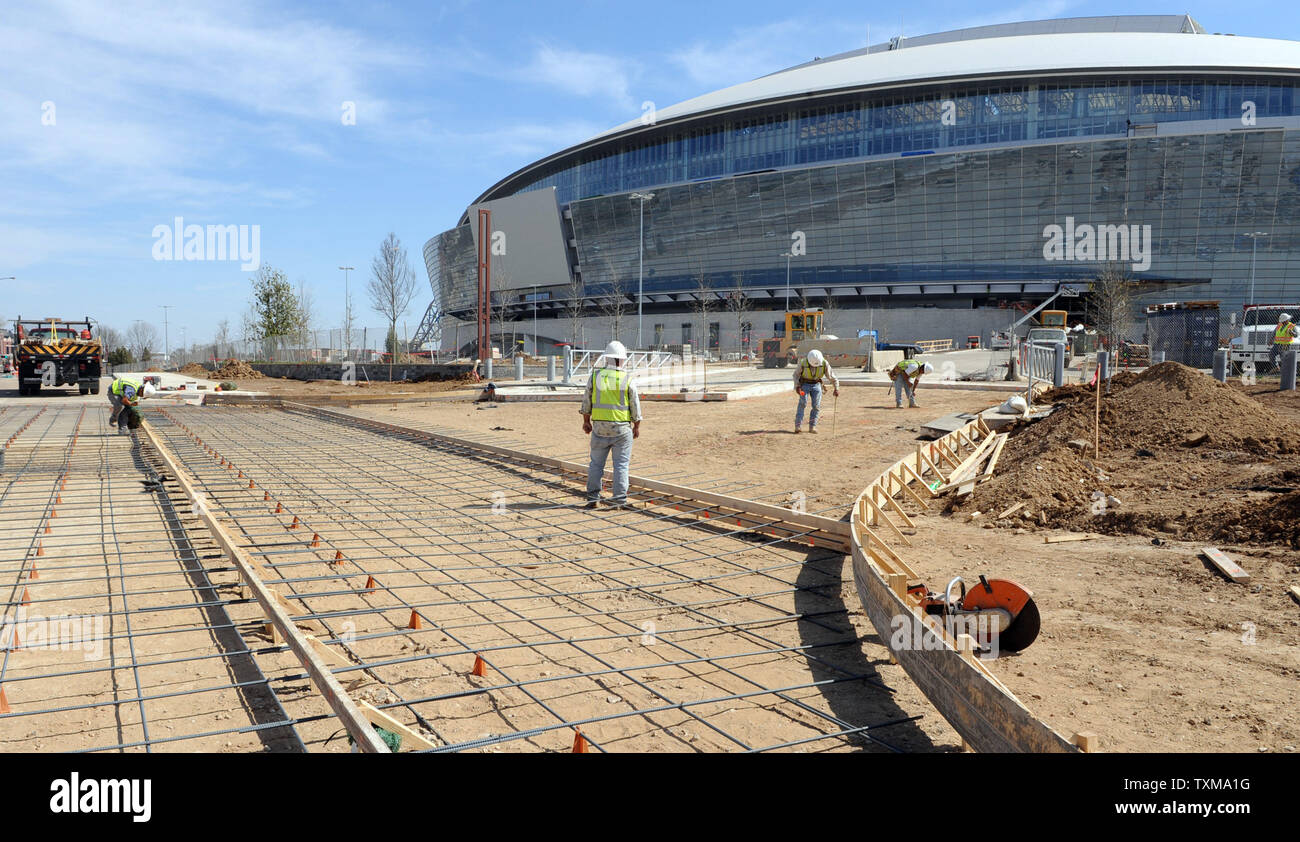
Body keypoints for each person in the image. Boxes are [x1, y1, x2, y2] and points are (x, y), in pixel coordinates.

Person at [580, 341, 642, 508]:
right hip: (622, 429)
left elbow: (586, 401)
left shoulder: (595, 376)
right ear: (622, 360)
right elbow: (635, 404)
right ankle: (619, 500)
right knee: (621, 465)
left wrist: (586, 421)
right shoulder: (627, 378)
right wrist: (636, 426)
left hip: (599, 428)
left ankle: (593, 499)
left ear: (606, 358)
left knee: (596, 465)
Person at [792, 349, 839, 434]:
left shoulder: (824, 363)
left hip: (817, 385)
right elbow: (796, 375)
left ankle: (812, 426)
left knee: (816, 406)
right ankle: (798, 426)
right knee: (803, 403)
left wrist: (836, 388)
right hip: (804, 386)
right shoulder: (803, 363)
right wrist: (797, 386)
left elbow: (832, 376)